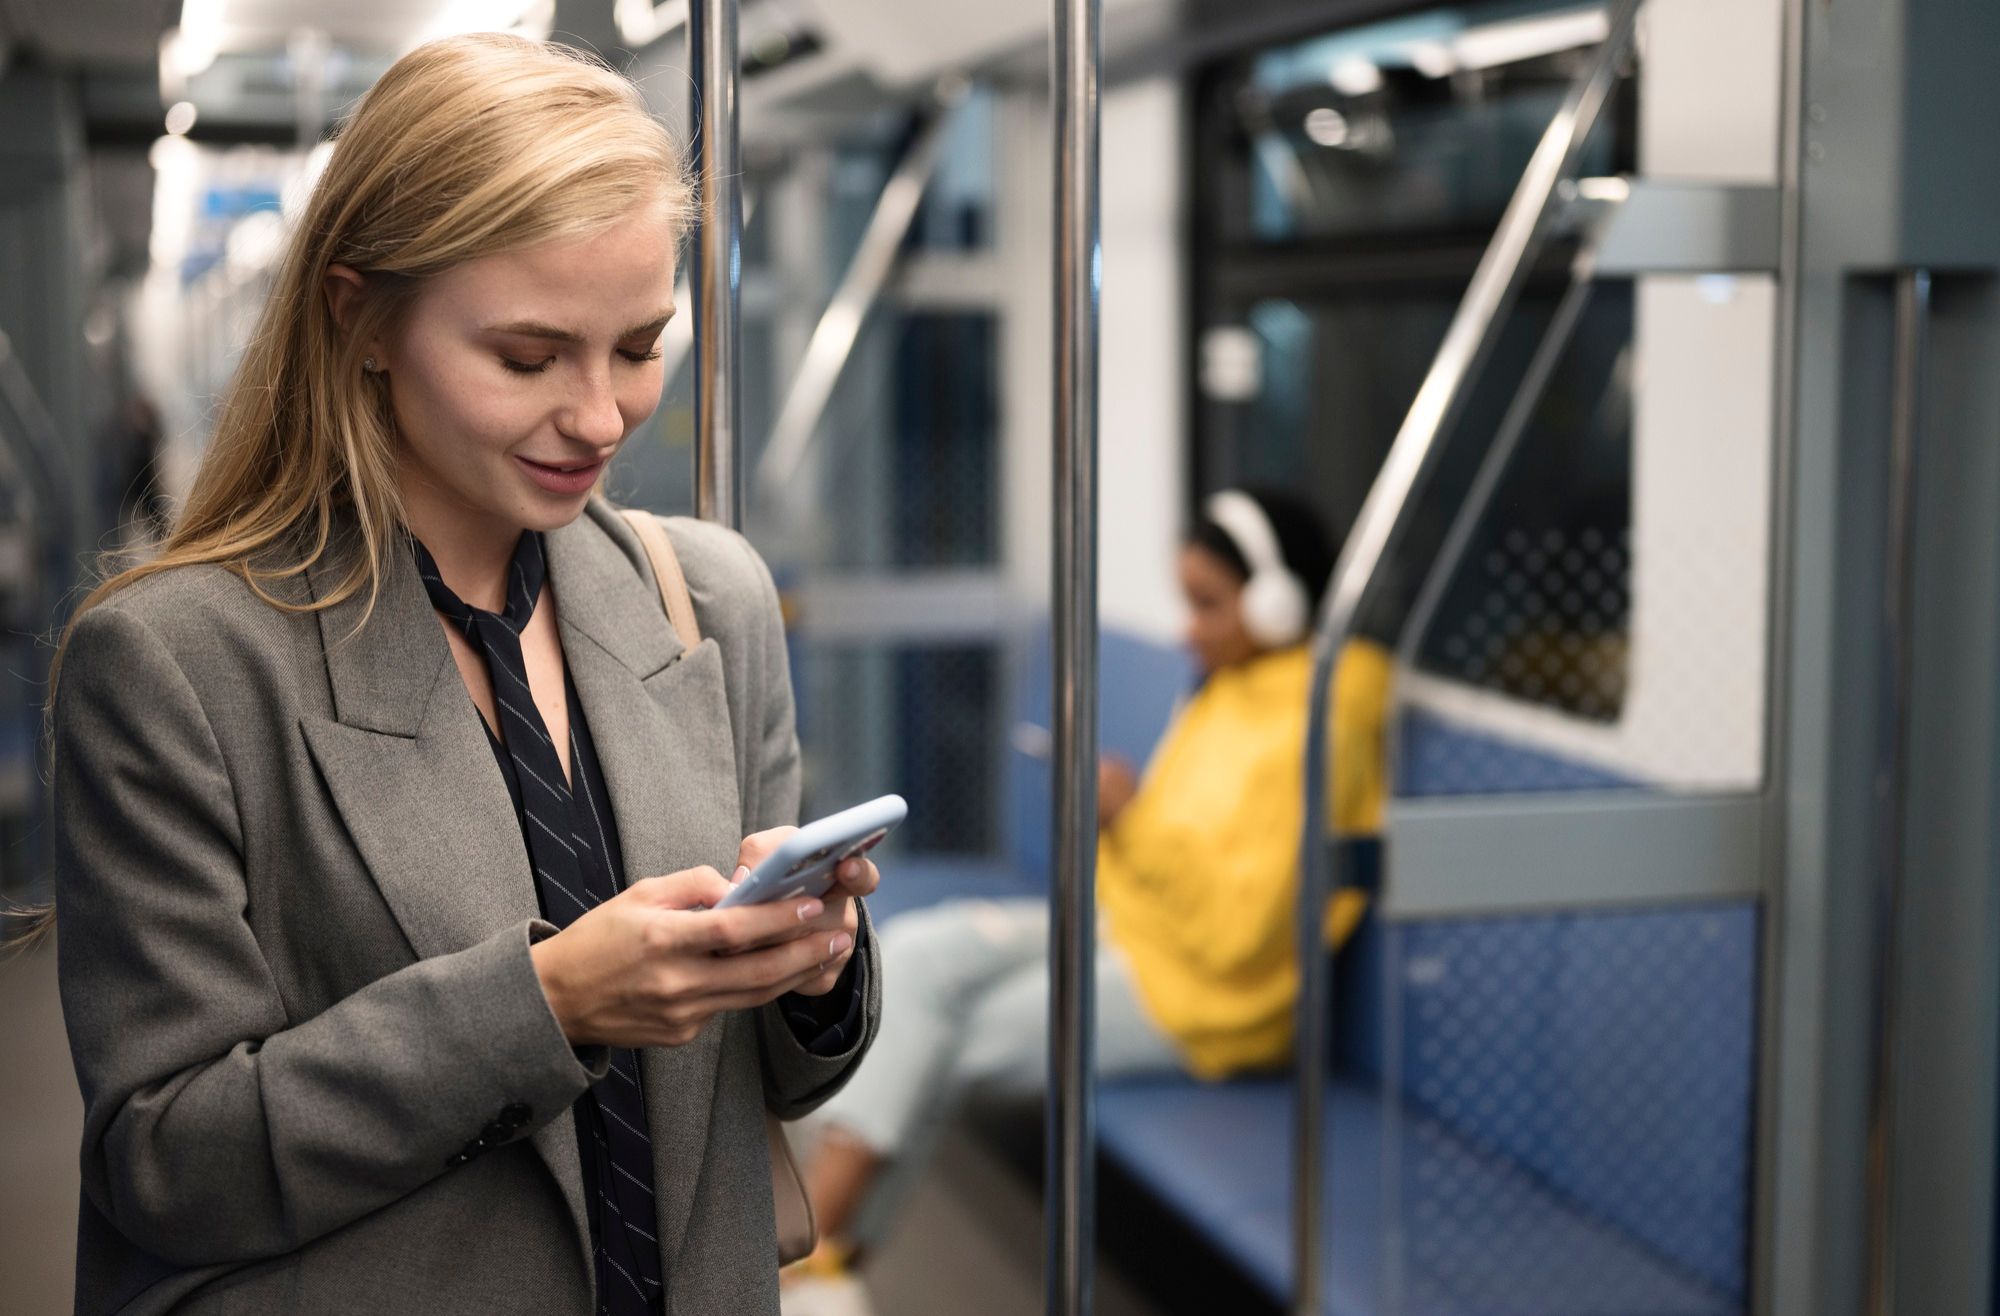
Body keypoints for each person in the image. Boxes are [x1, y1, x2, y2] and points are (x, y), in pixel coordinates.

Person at [42, 34, 878, 1316]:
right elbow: (167, 1158)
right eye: (530, 358)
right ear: (358, 316)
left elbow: (766, 1085)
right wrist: (543, 1003)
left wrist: (812, 971)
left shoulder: (707, 601)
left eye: (640, 345)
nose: (599, 417)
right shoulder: (178, 662)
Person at [789, 487, 1392, 1295]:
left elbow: (1240, 934)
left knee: (943, 1040)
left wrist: (1132, 821)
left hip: (1203, 1000)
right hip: (1132, 930)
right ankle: (828, 1253)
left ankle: (819, 1252)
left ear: (1280, 602)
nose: (1190, 630)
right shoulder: (1230, 686)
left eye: (1210, 606)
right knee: (920, 954)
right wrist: (1127, 817)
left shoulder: (1323, 720)